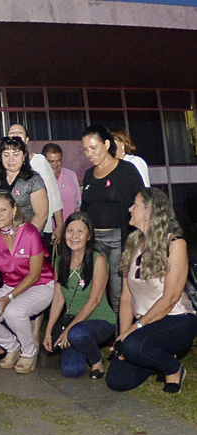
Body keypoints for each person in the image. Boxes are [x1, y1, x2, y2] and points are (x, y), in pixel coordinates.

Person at [107, 189, 197, 393]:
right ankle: (153, 357)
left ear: (149, 211)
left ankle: (173, 370)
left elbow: (170, 299)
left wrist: (131, 332)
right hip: (145, 326)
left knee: (132, 345)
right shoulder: (132, 243)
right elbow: (125, 298)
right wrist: (122, 336)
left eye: (135, 205)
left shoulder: (175, 243)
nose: (130, 209)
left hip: (176, 319)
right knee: (117, 381)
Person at [0, 193, 55, 373]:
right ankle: (12, 346)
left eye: (3, 210)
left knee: (13, 312)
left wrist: (8, 298)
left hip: (40, 285)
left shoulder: (29, 232)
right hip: (10, 286)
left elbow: (34, 275)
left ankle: (29, 352)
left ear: (14, 210)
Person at [42, 212, 116, 379]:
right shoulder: (60, 261)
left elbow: (95, 300)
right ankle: (80, 346)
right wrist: (48, 330)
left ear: (89, 236)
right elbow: (59, 298)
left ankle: (97, 362)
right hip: (74, 323)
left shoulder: (98, 260)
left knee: (77, 333)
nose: (74, 236)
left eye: (80, 232)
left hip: (100, 321)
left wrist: (69, 330)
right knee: (71, 370)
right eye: (70, 231)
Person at [80, 125, 145, 312]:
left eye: (93, 148)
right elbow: (86, 207)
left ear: (107, 144)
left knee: (118, 293)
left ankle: (121, 336)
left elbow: (142, 204)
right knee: (95, 292)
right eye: (85, 150)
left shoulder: (126, 171)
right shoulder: (88, 175)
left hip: (118, 240)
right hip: (94, 241)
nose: (89, 154)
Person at [7, 124, 64, 247]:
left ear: (27, 139)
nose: (15, 135)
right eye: (12, 132)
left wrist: (59, 226)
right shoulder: (3, 162)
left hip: (41, 228)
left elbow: (54, 194)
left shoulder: (39, 161)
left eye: (19, 132)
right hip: (10, 229)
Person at [0, 137, 48, 232]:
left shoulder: (34, 180)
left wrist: (26, 238)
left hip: (26, 236)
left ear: (23, 156)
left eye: (16, 155)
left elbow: (41, 214)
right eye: (6, 155)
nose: (11, 159)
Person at [42, 143, 81, 221]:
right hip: (50, 229)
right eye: (51, 161)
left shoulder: (71, 175)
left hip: (71, 226)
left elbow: (79, 201)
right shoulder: (39, 179)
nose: (55, 164)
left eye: (58, 161)